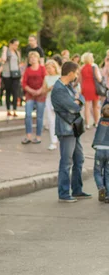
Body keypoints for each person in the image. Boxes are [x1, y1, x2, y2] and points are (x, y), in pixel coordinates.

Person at [51, 61, 91, 203]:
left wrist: (78, 100)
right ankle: (63, 193)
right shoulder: (59, 89)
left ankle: (77, 190)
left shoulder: (68, 86)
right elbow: (73, 107)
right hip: (66, 129)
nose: (77, 75)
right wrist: (77, 101)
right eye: (77, 72)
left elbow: (81, 98)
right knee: (66, 162)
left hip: (74, 128)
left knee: (79, 159)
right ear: (70, 73)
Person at [21, 51, 46, 145]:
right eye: (31, 57)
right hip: (29, 94)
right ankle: (28, 135)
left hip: (41, 94)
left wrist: (40, 90)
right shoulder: (27, 70)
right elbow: (24, 83)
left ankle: (38, 136)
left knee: (39, 116)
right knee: (28, 114)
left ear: (38, 58)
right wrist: (31, 90)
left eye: (34, 57)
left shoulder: (42, 69)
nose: (32, 59)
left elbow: (45, 80)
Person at [79, 52, 102, 129]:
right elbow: (99, 79)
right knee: (95, 106)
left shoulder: (82, 68)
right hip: (93, 87)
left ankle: (87, 124)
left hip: (85, 87)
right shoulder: (94, 67)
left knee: (87, 107)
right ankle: (96, 122)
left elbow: (80, 80)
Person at [0, 38, 21, 117]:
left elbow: (18, 63)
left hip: (15, 75)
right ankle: (8, 110)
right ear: (10, 44)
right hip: (7, 74)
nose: (16, 46)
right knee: (8, 92)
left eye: (17, 45)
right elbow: (3, 60)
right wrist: (5, 50)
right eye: (15, 45)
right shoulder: (6, 51)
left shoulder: (17, 52)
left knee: (15, 92)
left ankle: (14, 110)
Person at [43, 59, 61, 150]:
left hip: (58, 100)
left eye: (50, 68)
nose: (48, 70)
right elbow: (43, 90)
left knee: (60, 120)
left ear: (54, 68)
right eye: (47, 68)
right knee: (51, 121)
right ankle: (53, 141)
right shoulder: (46, 78)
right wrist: (49, 88)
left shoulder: (60, 77)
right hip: (49, 99)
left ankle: (62, 138)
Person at [92, 104, 109, 203]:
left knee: (98, 172)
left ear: (102, 113)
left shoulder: (100, 121)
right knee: (108, 173)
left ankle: (101, 187)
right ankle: (108, 195)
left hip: (99, 150)